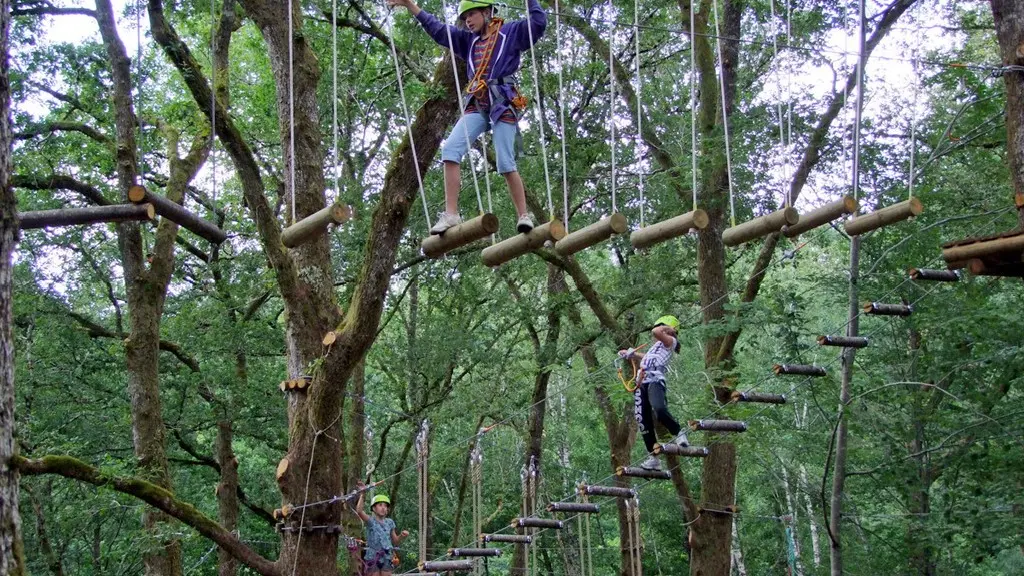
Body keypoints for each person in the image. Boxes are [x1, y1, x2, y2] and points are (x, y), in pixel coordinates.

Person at [387, 0, 547, 236]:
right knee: (450, 150)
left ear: (486, 11)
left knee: (505, 161)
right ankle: (451, 214)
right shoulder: (468, 42)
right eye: (465, 18)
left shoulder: (510, 32)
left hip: (502, 102)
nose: (468, 21)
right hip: (478, 104)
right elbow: (439, 30)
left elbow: (538, 24)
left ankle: (524, 215)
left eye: (471, 15)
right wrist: (412, 6)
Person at [619, 315, 689, 471]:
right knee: (642, 420)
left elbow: (656, 331)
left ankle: (678, 432)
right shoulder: (657, 346)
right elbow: (648, 357)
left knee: (659, 409)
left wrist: (668, 329)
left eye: (663, 327)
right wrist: (632, 354)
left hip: (655, 380)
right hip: (641, 382)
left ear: (670, 329)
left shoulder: (671, 342)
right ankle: (653, 457)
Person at [355, 491, 409, 576]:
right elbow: (359, 511)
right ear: (374, 508)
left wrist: (402, 536)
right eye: (380, 505)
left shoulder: (390, 522)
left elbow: (395, 541)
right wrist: (363, 494)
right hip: (373, 556)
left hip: (387, 556)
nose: (383, 508)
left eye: (385, 506)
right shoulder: (370, 521)